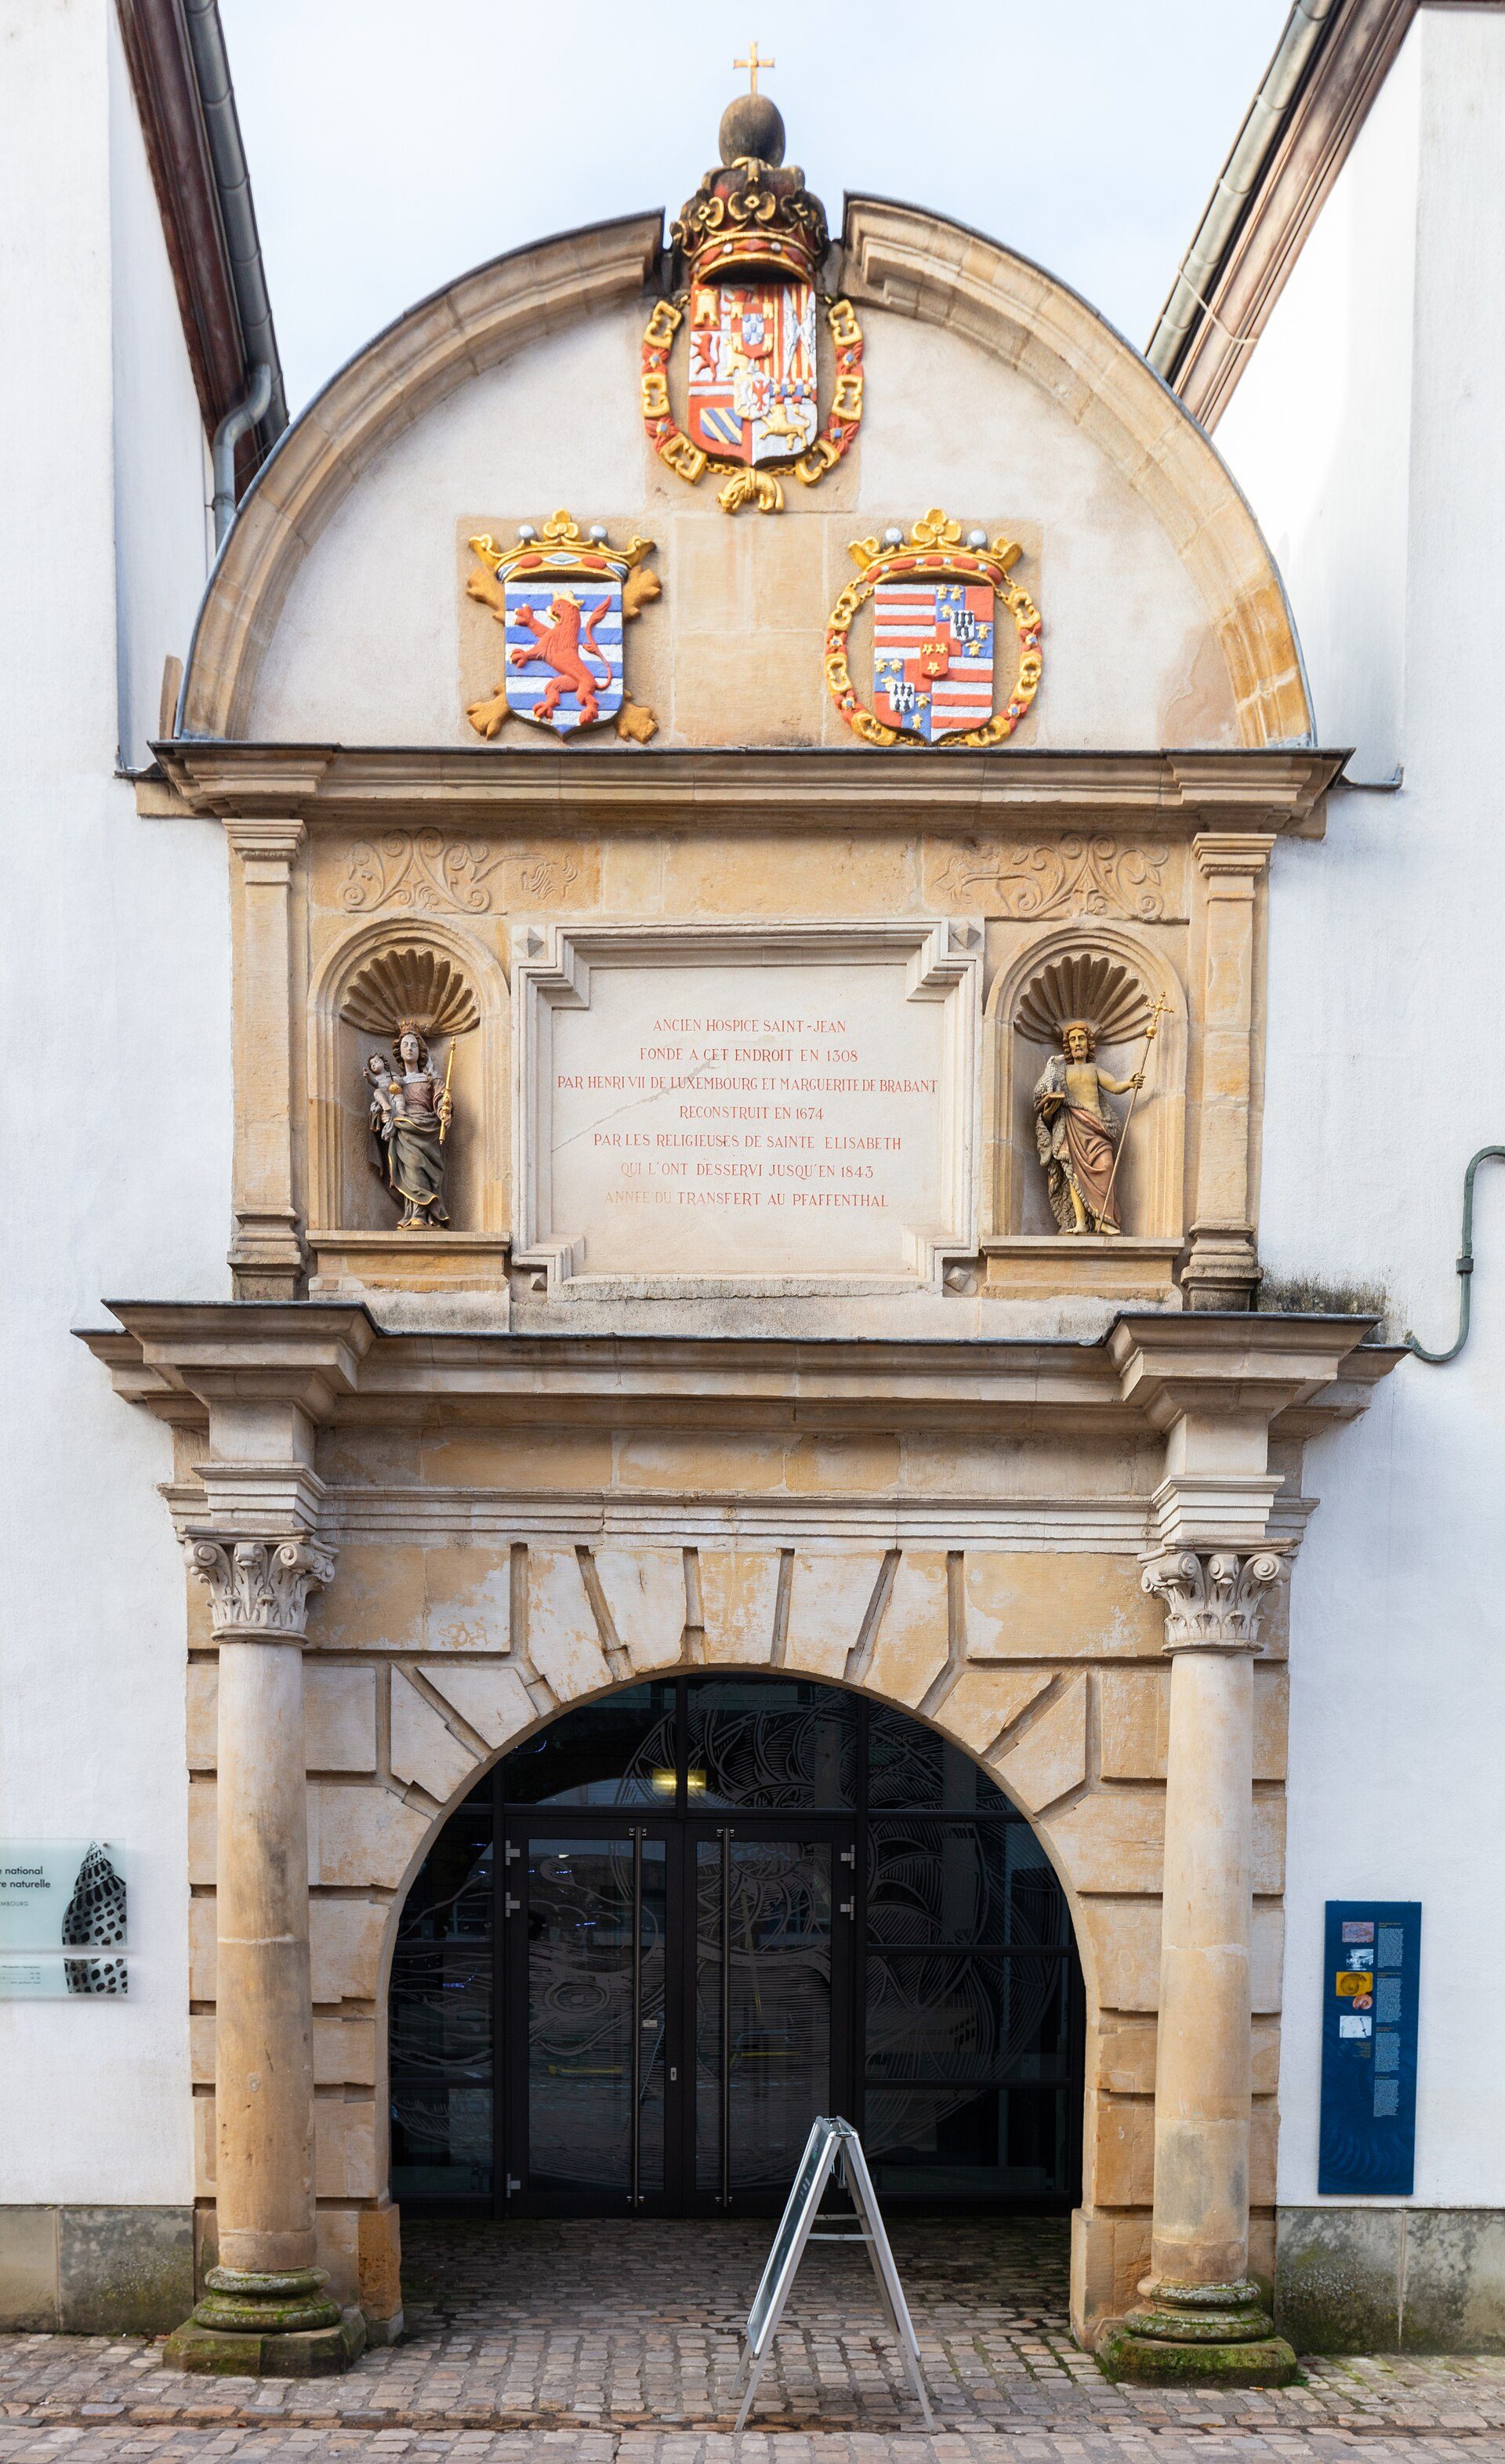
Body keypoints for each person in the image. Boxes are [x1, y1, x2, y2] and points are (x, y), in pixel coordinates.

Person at [1032, 1018, 1141, 1236]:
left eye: (1081, 1038)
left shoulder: (1094, 1069)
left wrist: (1129, 1083)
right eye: (1073, 1039)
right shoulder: (1062, 1073)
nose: (1077, 1043)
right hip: (1073, 1126)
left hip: (1097, 1128)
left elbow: (1114, 1085)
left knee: (1106, 1166)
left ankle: (1105, 1221)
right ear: (1069, 1046)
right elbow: (1047, 1101)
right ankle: (1080, 1223)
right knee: (1074, 1176)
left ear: (1088, 1043)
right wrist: (1049, 1108)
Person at [368, 1025, 452, 1229]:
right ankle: (415, 1214)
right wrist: (384, 1114)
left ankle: (425, 1215)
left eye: (414, 1045)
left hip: (426, 1130)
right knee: (411, 1168)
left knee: (421, 1167)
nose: (409, 1048)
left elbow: (442, 1098)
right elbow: (381, 1104)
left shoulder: (431, 1078)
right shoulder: (396, 1082)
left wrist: (444, 1110)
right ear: (400, 1052)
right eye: (405, 1045)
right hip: (404, 1130)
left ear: (420, 1051)